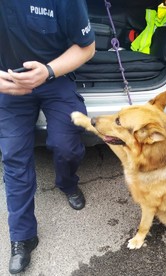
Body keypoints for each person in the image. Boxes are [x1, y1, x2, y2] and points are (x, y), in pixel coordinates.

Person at [0, 1, 95, 274]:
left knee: (67, 144)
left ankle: (67, 183)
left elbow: (87, 47)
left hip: (55, 76)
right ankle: (23, 237)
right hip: (8, 82)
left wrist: (49, 71)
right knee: (14, 156)